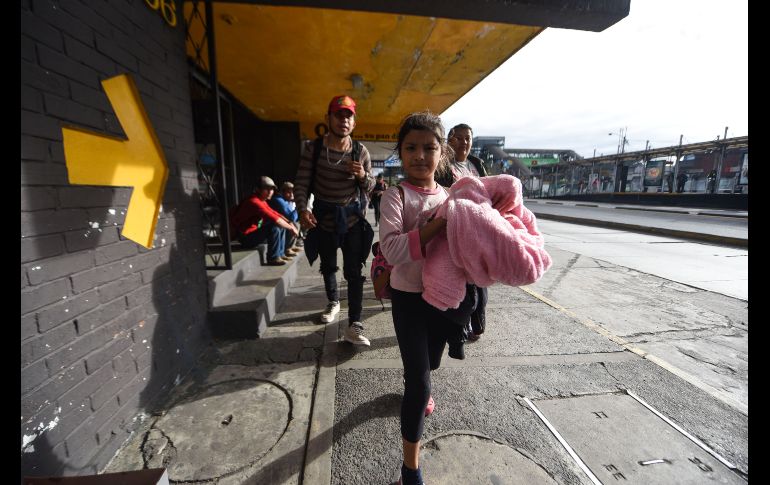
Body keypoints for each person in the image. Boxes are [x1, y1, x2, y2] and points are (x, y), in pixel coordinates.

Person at [379, 111, 464, 485]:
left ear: (442, 152)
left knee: (430, 363)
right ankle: (410, 471)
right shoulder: (394, 196)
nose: (419, 156)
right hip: (408, 298)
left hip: (442, 300)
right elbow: (393, 250)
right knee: (420, 382)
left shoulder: (451, 197)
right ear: (400, 152)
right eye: (410, 147)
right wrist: (437, 225)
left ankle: (417, 379)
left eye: (429, 148)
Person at [294, 95, 375, 345]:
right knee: (328, 266)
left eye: (349, 116)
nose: (344, 120)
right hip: (323, 219)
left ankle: (355, 324)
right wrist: (302, 209)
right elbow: (301, 183)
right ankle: (333, 302)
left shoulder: (360, 151)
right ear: (328, 118)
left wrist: (362, 175)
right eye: (339, 115)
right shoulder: (314, 149)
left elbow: (371, 187)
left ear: (354, 122)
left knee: (354, 272)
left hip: (351, 221)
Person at [438, 123, 488, 343]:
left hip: (481, 229)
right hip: (456, 229)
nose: (463, 142)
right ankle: (462, 323)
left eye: (467, 138)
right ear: (449, 141)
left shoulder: (476, 163)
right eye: (458, 138)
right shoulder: (442, 164)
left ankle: (477, 324)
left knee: (481, 279)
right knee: (463, 281)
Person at [229, 176, 300, 265]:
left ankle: (280, 254)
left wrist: (289, 223)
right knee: (274, 227)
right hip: (245, 238)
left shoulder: (262, 200)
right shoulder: (254, 202)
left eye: (272, 189)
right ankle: (273, 258)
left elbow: (275, 213)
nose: (270, 192)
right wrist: (291, 228)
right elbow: (275, 219)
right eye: (266, 189)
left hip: (253, 233)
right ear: (258, 189)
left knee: (281, 225)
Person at [269, 181, 301, 256]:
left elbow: (295, 218)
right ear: (282, 192)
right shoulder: (278, 199)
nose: (292, 195)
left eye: (293, 192)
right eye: (288, 192)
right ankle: (287, 248)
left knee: (297, 223)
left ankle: (291, 246)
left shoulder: (288, 200)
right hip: (271, 225)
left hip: (281, 222)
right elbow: (292, 218)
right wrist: (297, 206)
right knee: (294, 224)